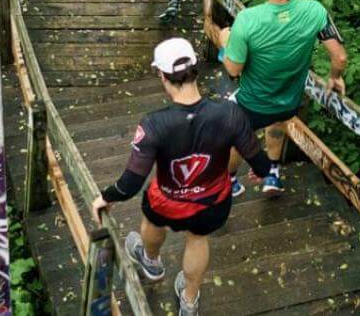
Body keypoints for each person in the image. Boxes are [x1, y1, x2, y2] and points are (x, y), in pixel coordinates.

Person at [91, 38, 275, 316]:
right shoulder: (230, 114)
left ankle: (151, 261)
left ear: (163, 76)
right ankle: (189, 301)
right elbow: (257, 157)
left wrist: (106, 197)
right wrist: (262, 173)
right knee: (198, 239)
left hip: (168, 201)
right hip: (212, 202)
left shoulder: (154, 124)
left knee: (153, 214)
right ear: (195, 71)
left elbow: (130, 183)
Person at [212, 0, 347, 197]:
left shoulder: (247, 20)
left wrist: (224, 42)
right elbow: (340, 57)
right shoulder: (314, 11)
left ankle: (230, 181)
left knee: (236, 134)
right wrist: (335, 77)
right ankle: (272, 174)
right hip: (289, 102)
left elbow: (233, 70)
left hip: (253, 103)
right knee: (276, 121)